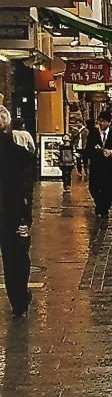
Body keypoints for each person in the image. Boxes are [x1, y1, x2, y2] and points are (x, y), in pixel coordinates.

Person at [0, 105, 36, 317]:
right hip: (12, 216)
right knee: (15, 260)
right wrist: (25, 219)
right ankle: (19, 300)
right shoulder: (19, 155)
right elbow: (25, 190)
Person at [87, 110, 112, 218]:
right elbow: (88, 147)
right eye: (100, 121)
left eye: (103, 121)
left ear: (108, 122)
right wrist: (94, 152)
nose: (101, 123)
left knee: (106, 188)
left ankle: (104, 208)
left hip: (108, 166)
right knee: (93, 187)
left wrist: (111, 152)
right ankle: (99, 204)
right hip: (95, 165)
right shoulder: (93, 132)